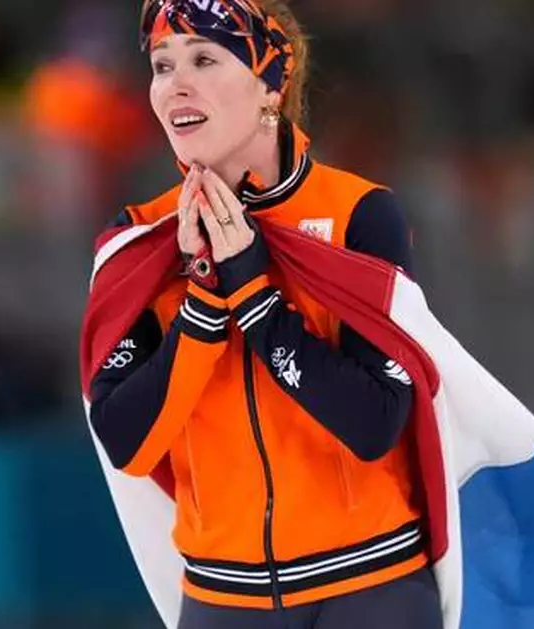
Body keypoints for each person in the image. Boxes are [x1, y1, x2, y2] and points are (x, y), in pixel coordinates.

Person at [85, 1, 444, 627]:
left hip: (373, 589)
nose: (177, 84)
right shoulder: (141, 242)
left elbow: (373, 423)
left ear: (271, 80)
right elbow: (127, 442)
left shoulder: (358, 216)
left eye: (204, 59)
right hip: (225, 602)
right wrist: (204, 301)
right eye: (162, 65)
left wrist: (253, 293)